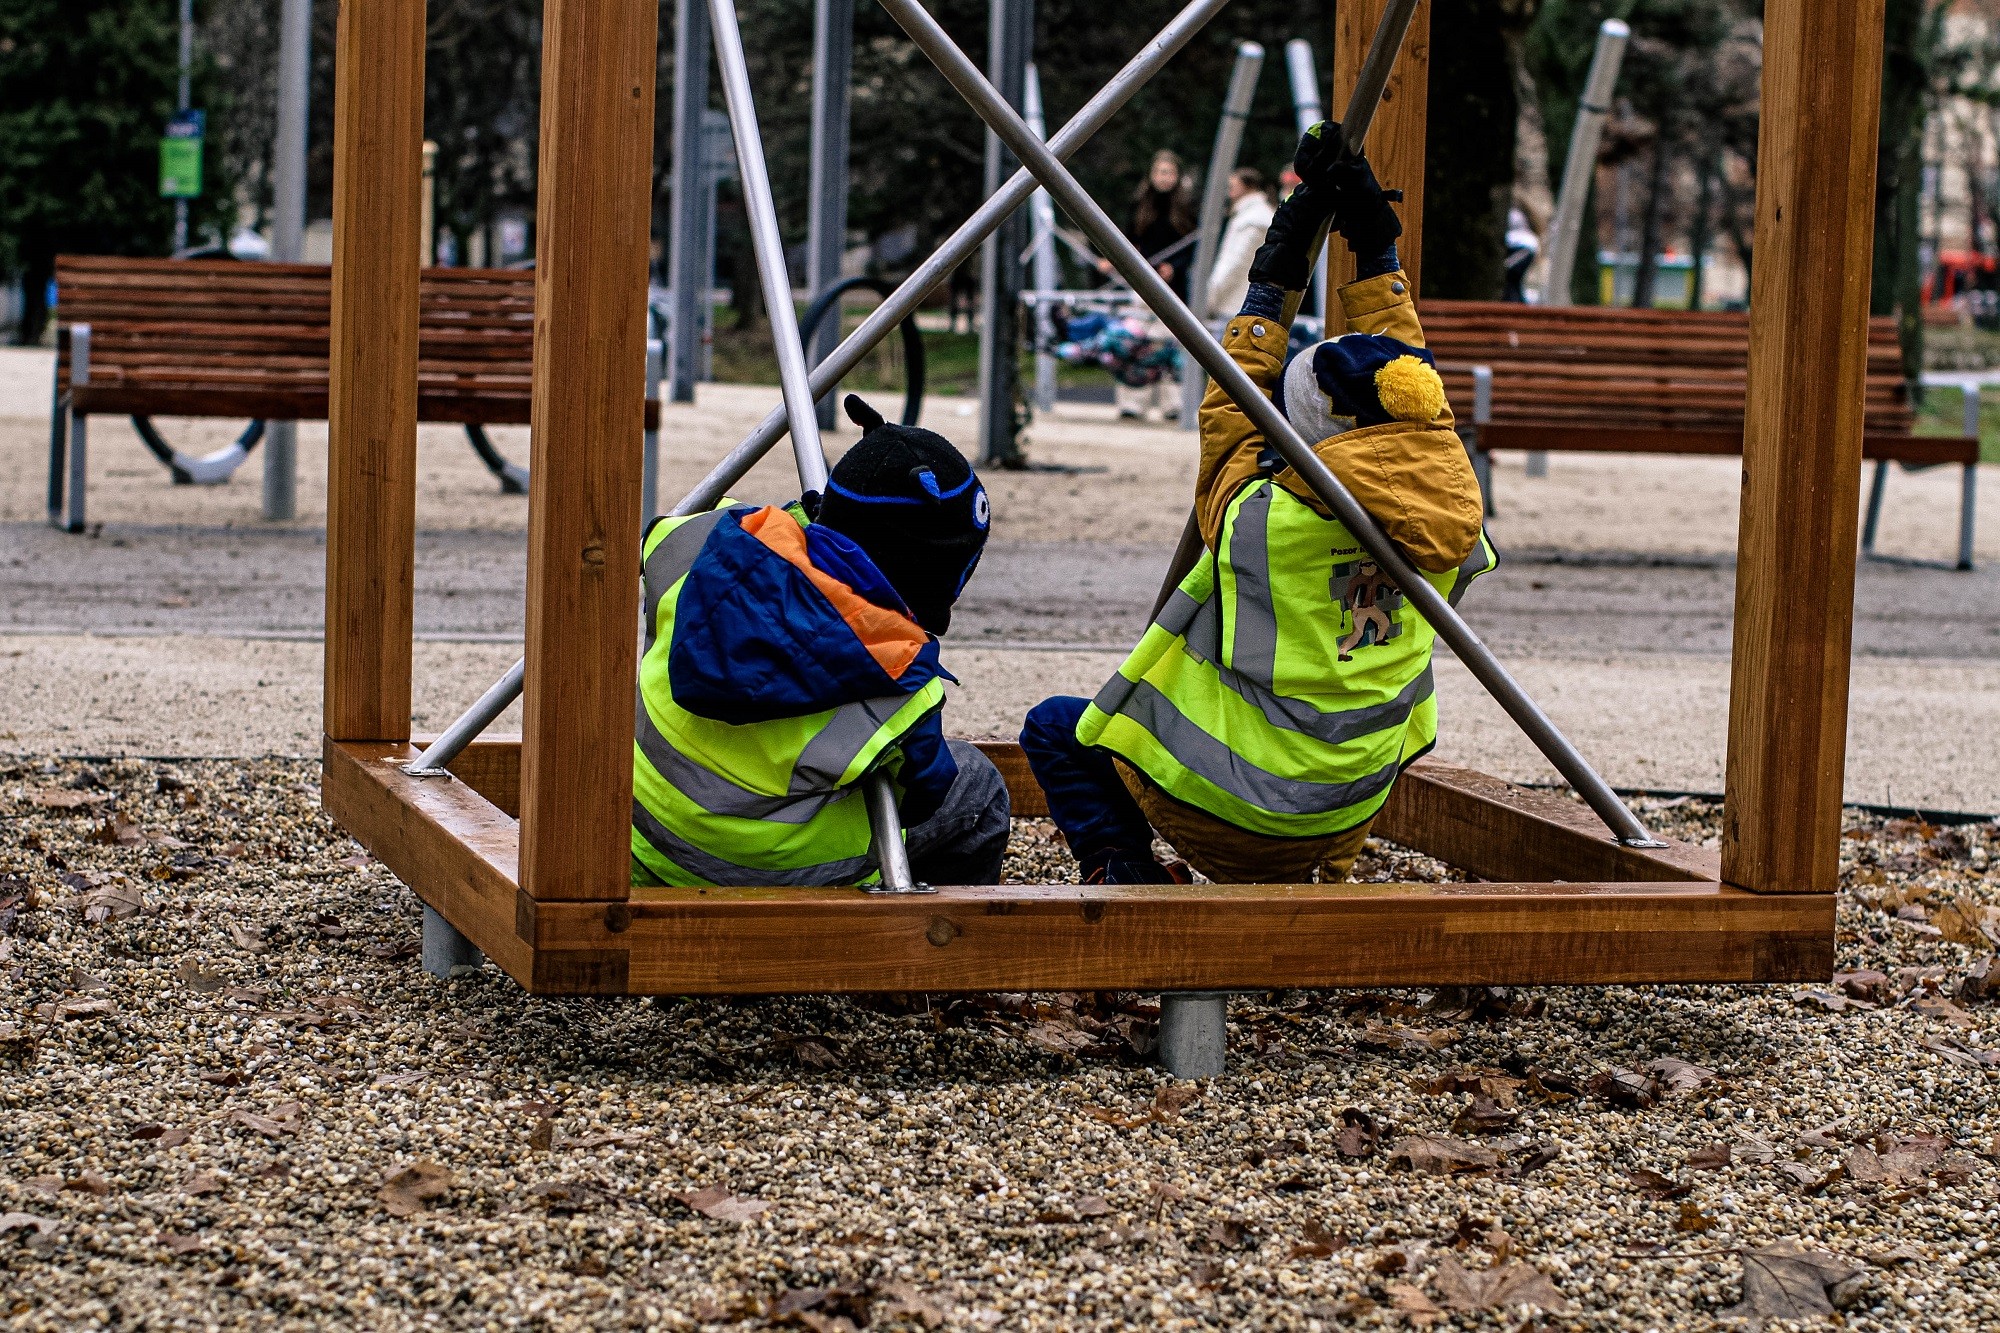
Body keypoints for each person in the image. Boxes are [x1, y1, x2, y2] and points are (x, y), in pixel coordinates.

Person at [1020, 123, 1495, 886]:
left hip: (1229, 813)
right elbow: (1411, 391)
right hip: (1344, 811)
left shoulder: (1262, 522)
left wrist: (1277, 266)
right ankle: (1321, 870)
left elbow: (1230, 408)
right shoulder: (1456, 516)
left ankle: (1125, 872)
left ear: (1300, 437)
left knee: (1054, 728)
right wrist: (1376, 248)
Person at [631, 395, 1008, 888]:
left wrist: (806, 528)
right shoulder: (898, 681)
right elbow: (925, 793)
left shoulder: (697, 541)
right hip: (759, 872)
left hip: (638, 835)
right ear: (938, 576)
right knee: (978, 787)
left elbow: (659, 539)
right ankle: (923, 930)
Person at [1101, 149, 1197, 420]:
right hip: (1143, 281)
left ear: (1177, 176)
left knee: (1170, 342)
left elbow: (1193, 246)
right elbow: (1130, 238)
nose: (1164, 178)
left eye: (1169, 173)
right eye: (1160, 172)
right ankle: (1133, 402)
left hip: (1175, 287)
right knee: (1136, 339)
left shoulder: (1187, 207)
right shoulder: (1140, 204)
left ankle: (1172, 403)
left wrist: (1174, 267)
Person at [1203, 167, 1277, 321]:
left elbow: (1234, 263)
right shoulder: (1255, 215)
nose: (1229, 191)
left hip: (1235, 305)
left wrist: (1210, 297)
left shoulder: (1251, 219)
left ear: (1246, 186)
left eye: (1232, 186)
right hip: (1243, 302)